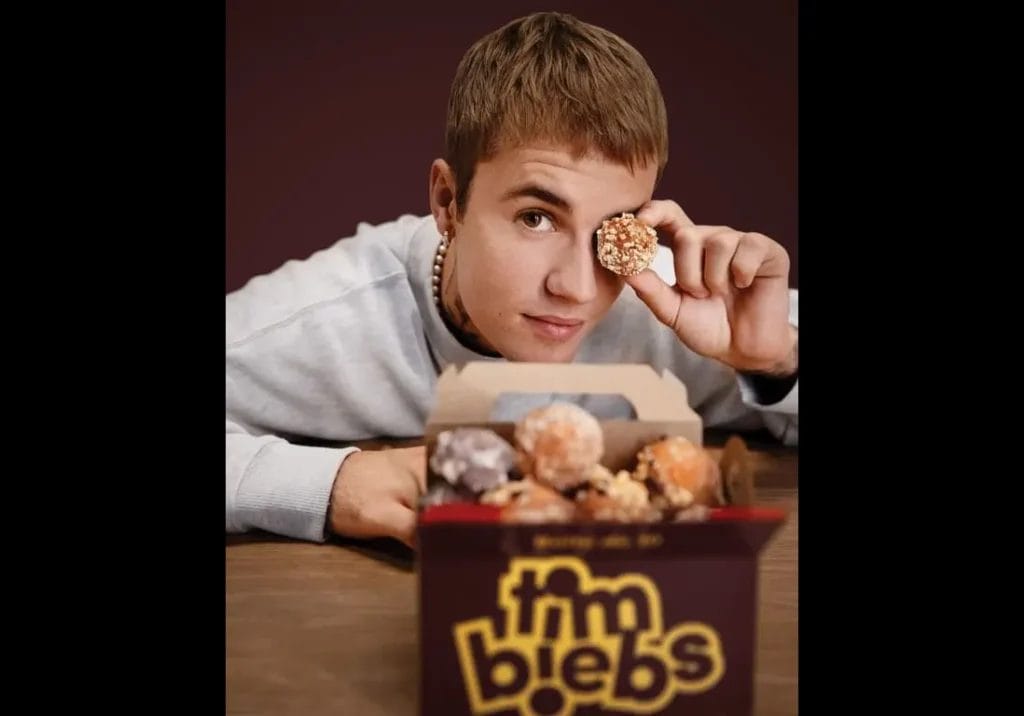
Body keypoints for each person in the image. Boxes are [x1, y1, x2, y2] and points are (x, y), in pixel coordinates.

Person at [225, 11, 798, 549]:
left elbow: (773, 361)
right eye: (536, 218)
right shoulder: (330, 318)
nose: (576, 287)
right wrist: (331, 485)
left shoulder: (674, 301)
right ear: (449, 201)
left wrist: (776, 365)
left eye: (613, 229)